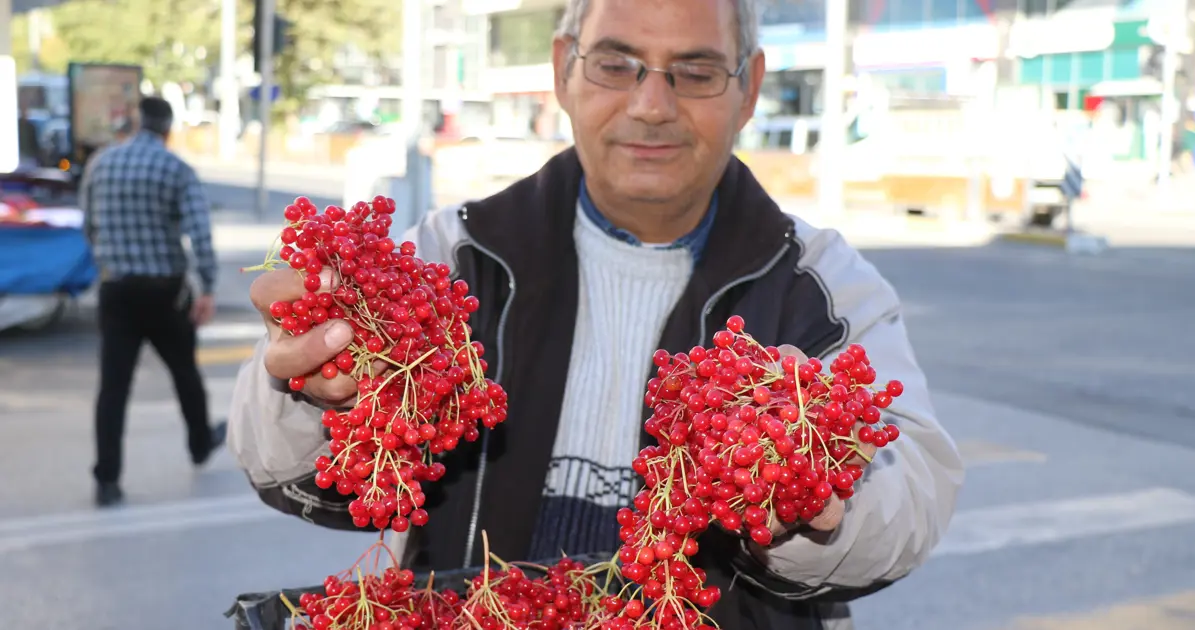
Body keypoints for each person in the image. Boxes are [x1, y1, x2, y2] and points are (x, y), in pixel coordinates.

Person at [227, 0, 964, 628]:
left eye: (696, 71)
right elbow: (297, 474)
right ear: (564, 71)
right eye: (617, 64)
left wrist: (818, 505)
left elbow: (914, 488)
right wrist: (305, 384)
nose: (652, 105)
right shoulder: (449, 258)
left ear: (750, 90)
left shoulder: (820, 286)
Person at [80, 96, 227, 508]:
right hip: (165, 291)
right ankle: (199, 443)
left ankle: (107, 479)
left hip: (117, 290)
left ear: (135, 121)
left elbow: (88, 224)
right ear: (168, 129)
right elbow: (199, 234)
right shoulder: (177, 169)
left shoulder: (101, 164)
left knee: (113, 387)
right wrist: (209, 287)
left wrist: (109, 261)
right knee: (184, 372)